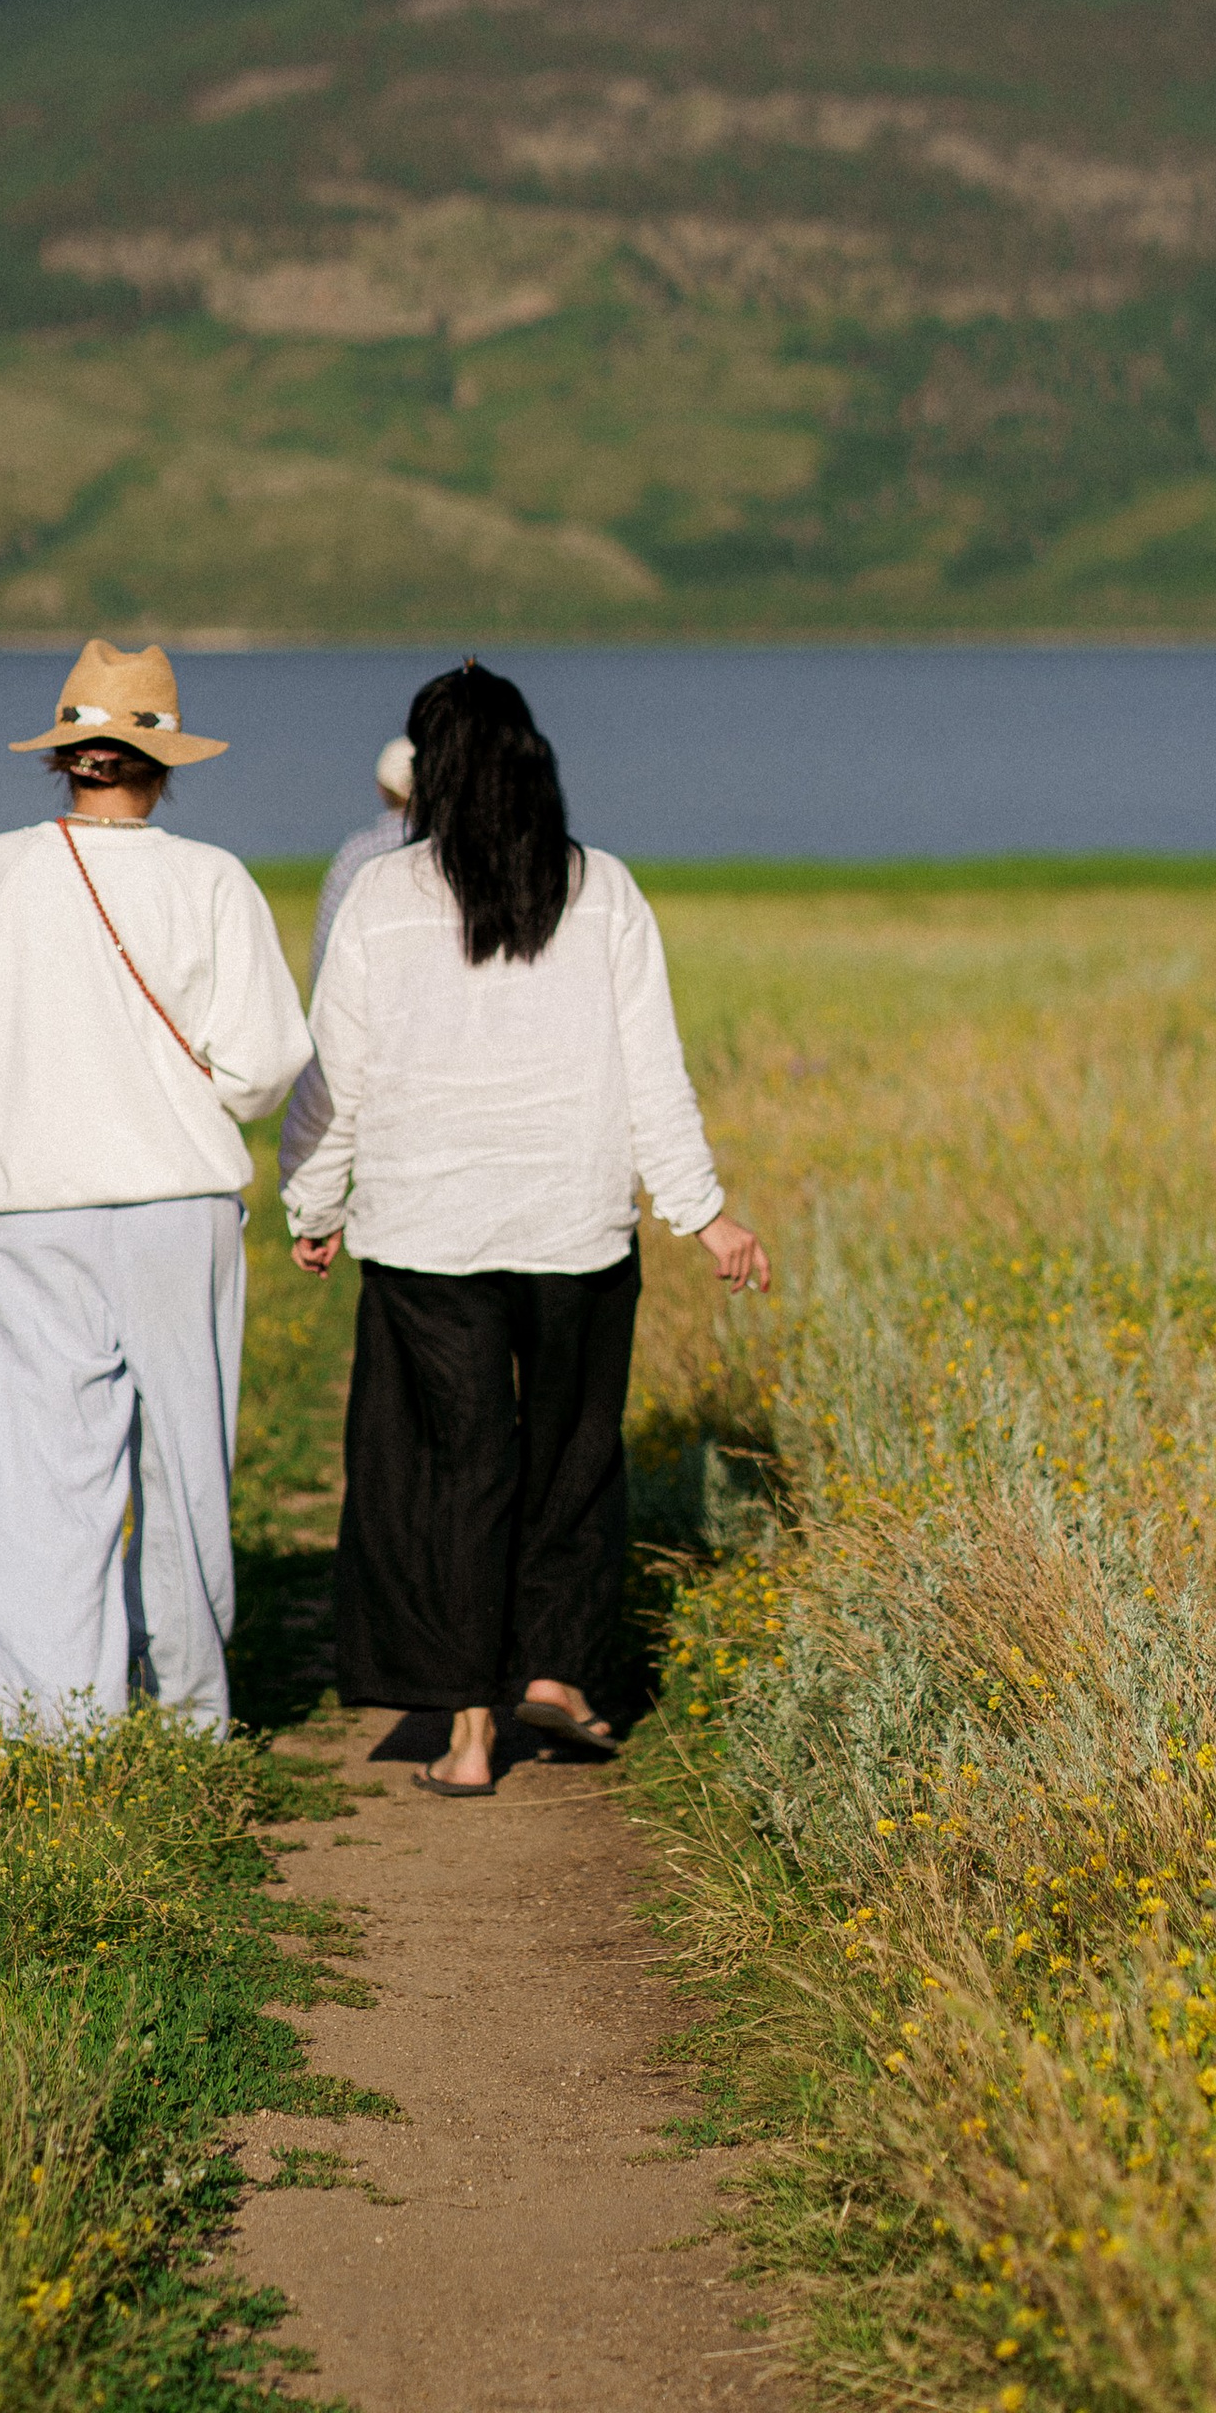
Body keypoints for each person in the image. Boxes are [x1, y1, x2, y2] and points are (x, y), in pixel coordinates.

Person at [281, 661, 771, 1800]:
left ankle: (464, 1733)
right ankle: (554, 1671)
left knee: (453, 1471)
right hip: (575, 1225)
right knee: (570, 1459)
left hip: (422, 1232)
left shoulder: (382, 894)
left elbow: (333, 1077)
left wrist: (315, 1203)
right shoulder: (600, 888)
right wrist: (702, 1214)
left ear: (432, 771)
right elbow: (654, 1068)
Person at [0, 640, 312, 1740]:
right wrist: (202, 1087)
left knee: (37, 1474)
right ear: (162, 762)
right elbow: (266, 1062)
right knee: (184, 1461)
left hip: (33, 1205)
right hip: (179, 1203)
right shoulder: (213, 880)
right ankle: (191, 1710)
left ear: (66, 758)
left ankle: (59, 1722)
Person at [310, 733, 415, 984]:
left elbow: (327, 943)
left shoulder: (357, 852)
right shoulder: (456, 849)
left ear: (381, 789)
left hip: (371, 991)